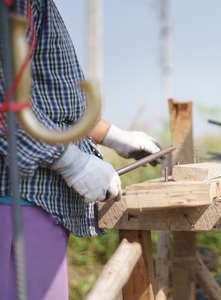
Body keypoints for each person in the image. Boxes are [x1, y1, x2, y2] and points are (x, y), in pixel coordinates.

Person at [0, 0, 162, 299]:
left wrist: (110, 134)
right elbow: (6, 107)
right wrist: (70, 161)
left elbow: (49, 92)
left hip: (39, 200)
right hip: (15, 200)